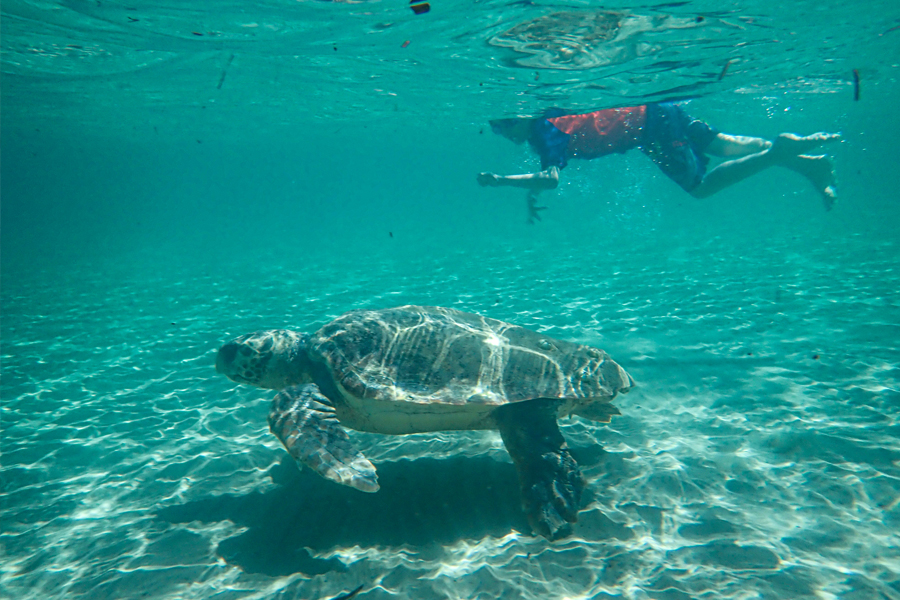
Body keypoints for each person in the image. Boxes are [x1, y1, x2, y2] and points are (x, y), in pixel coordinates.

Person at [477, 103, 841, 222]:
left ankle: (779, 152)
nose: (503, 132)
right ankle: (810, 164)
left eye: (505, 124)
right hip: (658, 109)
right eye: (496, 128)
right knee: (723, 144)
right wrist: (528, 193)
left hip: (650, 131)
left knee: (700, 188)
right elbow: (543, 172)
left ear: (521, 116)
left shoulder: (544, 131)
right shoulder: (549, 119)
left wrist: (501, 181)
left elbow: (550, 178)